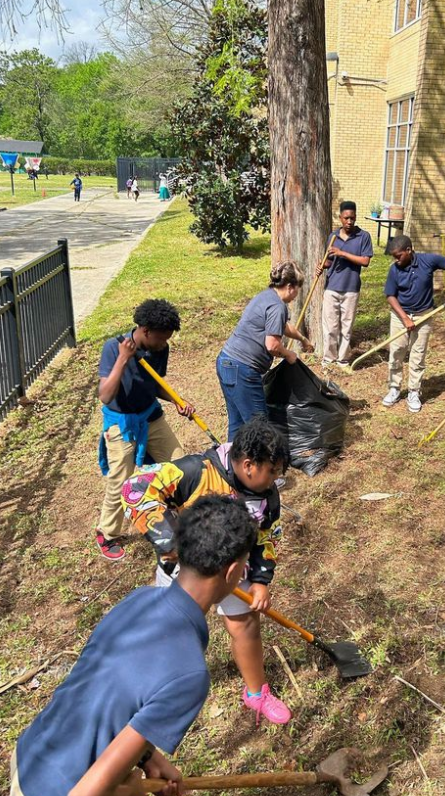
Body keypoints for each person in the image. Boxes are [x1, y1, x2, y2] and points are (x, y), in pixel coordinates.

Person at [11, 495, 257, 796]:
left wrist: (146, 756)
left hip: (29, 753)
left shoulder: (139, 600)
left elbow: (107, 693)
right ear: (231, 572)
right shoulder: (190, 674)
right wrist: (130, 791)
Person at [121, 416, 292, 726]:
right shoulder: (195, 471)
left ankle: (256, 693)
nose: (275, 479)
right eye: (273, 471)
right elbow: (135, 488)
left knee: (245, 625)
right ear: (250, 464)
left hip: (235, 572)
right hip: (185, 571)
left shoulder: (267, 497)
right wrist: (171, 541)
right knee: (170, 629)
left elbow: (266, 537)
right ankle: (155, 692)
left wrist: (261, 580)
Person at [96, 299, 195, 561]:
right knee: (121, 479)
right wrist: (123, 359)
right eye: (161, 338)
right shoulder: (112, 347)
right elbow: (105, 395)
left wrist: (177, 400)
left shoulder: (161, 348)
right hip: (122, 422)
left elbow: (155, 383)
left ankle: (180, 516)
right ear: (144, 330)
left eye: (167, 339)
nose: (164, 344)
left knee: (179, 462)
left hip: (151, 415)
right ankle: (107, 532)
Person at [217, 261, 314, 441]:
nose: (297, 294)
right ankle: (261, 466)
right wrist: (289, 354)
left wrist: (302, 339)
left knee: (237, 424)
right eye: (298, 288)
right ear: (291, 287)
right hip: (243, 369)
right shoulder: (278, 306)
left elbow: (283, 327)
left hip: (226, 361)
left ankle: (232, 465)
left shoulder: (266, 296)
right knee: (259, 426)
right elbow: (272, 345)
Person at [382, 235, 445, 413]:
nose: (396, 259)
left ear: (409, 251)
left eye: (399, 255)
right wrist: (405, 318)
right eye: (394, 256)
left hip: (424, 315)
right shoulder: (394, 269)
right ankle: (394, 388)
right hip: (400, 315)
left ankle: (413, 392)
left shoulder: (427, 261)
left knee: (417, 354)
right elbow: (390, 296)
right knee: (397, 351)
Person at [315, 200, 373, 367]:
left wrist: (342, 253)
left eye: (352, 218)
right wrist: (321, 265)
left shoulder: (364, 237)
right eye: (346, 218)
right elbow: (329, 261)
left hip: (351, 289)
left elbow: (365, 261)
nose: (349, 222)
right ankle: (328, 359)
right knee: (330, 327)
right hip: (331, 287)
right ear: (340, 218)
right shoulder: (333, 237)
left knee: (346, 328)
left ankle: (343, 360)